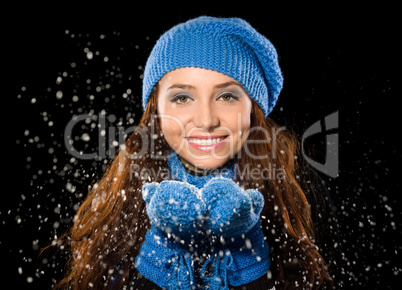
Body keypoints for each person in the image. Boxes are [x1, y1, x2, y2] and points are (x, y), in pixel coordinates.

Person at [56, 16, 339, 289]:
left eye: (226, 96)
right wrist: (161, 250)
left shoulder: (298, 189)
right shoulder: (127, 189)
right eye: (182, 98)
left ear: (252, 108)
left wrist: (247, 250)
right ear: (157, 109)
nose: (205, 120)